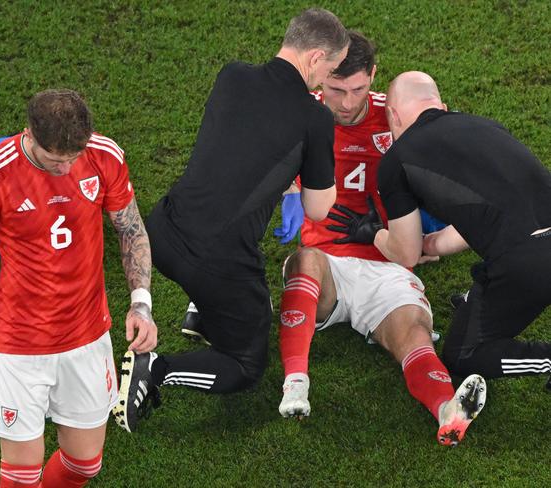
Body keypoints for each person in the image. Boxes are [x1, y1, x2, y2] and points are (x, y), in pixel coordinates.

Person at [112, 8, 350, 433]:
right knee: (246, 364)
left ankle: (204, 315)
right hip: (219, 261)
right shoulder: (315, 118)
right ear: (315, 58)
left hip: (164, 231)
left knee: (241, 305)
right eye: (330, 69)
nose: (326, 80)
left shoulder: (233, 75)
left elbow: (242, 147)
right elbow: (318, 209)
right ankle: (156, 369)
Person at [265, 32, 484, 447]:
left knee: (414, 334)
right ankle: (295, 381)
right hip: (327, 262)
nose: (347, 103)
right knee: (304, 261)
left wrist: (435, 229)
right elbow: (255, 158)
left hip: (390, 262)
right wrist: (290, 190)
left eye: (358, 89)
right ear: (321, 77)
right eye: (336, 89)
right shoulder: (299, 115)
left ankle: (447, 410)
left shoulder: (396, 115)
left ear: (374, 77)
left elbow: (456, 147)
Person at [0, 89, 157, 487]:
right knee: (21, 479)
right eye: (54, 160)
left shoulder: (104, 156)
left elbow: (131, 231)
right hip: (21, 343)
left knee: (83, 465)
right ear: (30, 134)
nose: (65, 169)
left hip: (87, 336)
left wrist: (140, 304)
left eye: (73, 158)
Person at [359, 71, 551, 387]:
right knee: (480, 300)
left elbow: (405, 252)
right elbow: (478, 214)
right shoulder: (485, 126)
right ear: (441, 107)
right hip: (533, 250)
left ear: (392, 115)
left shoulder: (398, 159)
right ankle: (478, 301)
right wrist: (431, 244)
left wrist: (373, 234)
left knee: (463, 354)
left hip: (527, 265)